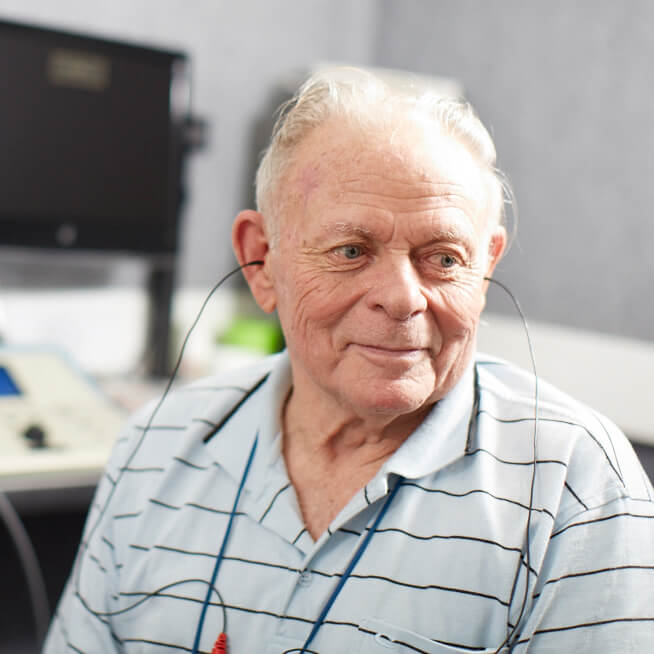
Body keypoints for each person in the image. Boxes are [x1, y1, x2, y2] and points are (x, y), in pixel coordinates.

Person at [44, 68, 653, 654]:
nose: (402, 298)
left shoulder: (578, 488)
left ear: (486, 266)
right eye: (351, 250)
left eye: (442, 259)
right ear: (260, 261)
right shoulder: (155, 446)